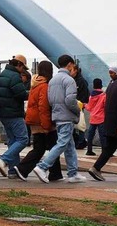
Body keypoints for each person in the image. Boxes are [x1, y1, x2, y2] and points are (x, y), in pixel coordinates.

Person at [32, 55, 86, 183]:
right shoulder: (69, 80)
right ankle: (42, 166)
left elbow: (50, 100)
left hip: (57, 116)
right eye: (72, 65)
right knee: (62, 143)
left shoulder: (53, 80)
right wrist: (77, 110)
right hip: (67, 116)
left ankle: (73, 173)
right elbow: (70, 100)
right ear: (69, 64)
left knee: (69, 145)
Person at [14, 61, 62, 181]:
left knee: (47, 147)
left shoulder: (35, 84)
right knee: (49, 148)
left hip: (34, 120)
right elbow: (43, 107)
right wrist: (46, 125)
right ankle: (22, 169)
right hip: (42, 122)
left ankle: (55, 174)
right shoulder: (44, 86)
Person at [0, 54, 29, 177]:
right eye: (23, 68)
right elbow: (21, 94)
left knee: (13, 140)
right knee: (23, 139)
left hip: (3, 113)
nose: (23, 71)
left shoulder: (2, 74)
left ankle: (13, 171)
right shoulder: (14, 76)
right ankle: (4, 158)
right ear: (19, 64)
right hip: (14, 112)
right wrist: (31, 92)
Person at [85, 78, 107, 156]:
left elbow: (89, 108)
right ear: (101, 85)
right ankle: (104, 151)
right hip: (101, 118)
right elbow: (105, 106)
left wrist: (85, 105)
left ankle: (89, 150)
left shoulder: (91, 96)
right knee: (102, 135)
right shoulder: (104, 95)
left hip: (93, 118)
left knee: (90, 135)